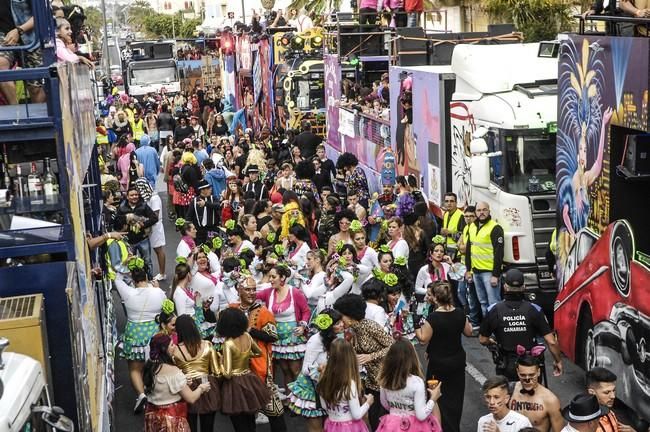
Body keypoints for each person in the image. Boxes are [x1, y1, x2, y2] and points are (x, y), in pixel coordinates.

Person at [479, 268, 563, 381]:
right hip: (530, 367)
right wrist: (558, 361)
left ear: (505, 287)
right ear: (524, 287)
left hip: (506, 366)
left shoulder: (493, 310)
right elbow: (551, 341)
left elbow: (483, 339)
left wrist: (492, 342)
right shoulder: (534, 309)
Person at [230, 276, 287, 432]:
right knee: (244, 411)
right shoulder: (232, 309)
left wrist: (250, 331)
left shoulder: (264, 312)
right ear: (238, 290)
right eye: (248, 289)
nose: (252, 293)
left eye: (254, 289)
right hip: (239, 370)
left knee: (274, 410)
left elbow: (273, 336)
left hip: (261, 368)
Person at [415, 281, 472, 432]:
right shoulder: (459, 313)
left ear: (435, 297)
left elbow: (423, 339)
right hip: (457, 363)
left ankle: (439, 428)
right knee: (455, 398)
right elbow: (468, 332)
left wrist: (415, 325)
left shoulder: (433, 318)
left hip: (438, 365)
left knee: (436, 399)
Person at [333, 294, 394, 430]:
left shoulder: (370, 326)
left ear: (350, 315)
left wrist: (371, 356)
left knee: (383, 421)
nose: (340, 321)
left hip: (384, 381)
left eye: (341, 316)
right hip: (370, 382)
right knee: (373, 420)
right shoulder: (352, 331)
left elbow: (394, 347)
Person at [114, 260, 167, 414]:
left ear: (133, 279)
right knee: (154, 365)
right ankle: (156, 392)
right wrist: (157, 288)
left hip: (135, 332)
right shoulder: (158, 292)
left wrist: (125, 265)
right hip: (153, 331)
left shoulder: (128, 292)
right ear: (146, 277)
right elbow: (165, 306)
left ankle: (141, 394)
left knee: (134, 368)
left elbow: (117, 279)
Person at [257, 264, 311, 392]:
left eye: (273, 276)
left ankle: (300, 399)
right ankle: (289, 399)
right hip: (277, 337)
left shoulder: (295, 292)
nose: (270, 279)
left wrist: (303, 326)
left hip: (292, 337)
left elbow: (306, 311)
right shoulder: (268, 292)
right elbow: (252, 295)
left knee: (295, 370)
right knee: (285, 370)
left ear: (282, 278)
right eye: (269, 276)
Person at [288, 309, 343, 432]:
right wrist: (323, 370)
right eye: (337, 323)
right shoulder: (315, 340)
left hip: (327, 386)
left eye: (341, 322)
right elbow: (306, 369)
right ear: (328, 326)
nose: (342, 325)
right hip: (312, 389)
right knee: (316, 428)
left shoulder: (337, 337)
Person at [217, 308, 271, 432]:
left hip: (234, 386)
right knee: (250, 421)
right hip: (249, 380)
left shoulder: (228, 344)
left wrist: (220, 362)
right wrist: (245, 356)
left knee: (239, 424)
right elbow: (258, 353)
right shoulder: (247, 335)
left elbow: (228, 374)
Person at [143, 334, 211, 431]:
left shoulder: (149, 367)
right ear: (164, 349)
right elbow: (191, 398)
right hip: (171, 419)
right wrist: (201, 388)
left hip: (153, 417)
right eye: (171, 345)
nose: (175, 346)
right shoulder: (173, 371)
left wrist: (183, 381)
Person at [376, 339, 442, 432]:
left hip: (392, 426)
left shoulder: (385, 380)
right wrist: (433, 399)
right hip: (415, 427)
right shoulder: (416, 382)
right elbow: (421, 416)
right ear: (412, 358)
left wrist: (398, 409)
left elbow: (385, 404)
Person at [172, 315, 222, 432]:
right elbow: (216, 371)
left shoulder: (175, 350)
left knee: (190, 426)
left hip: (187, 389)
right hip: (207, 386)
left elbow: (175, 373)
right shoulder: (207, 345)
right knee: (208, 427)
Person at [317, 339, 374, 432]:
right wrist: (368, 402)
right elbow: (357, 415)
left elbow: (324, 406)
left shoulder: (323, 378)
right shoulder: (349, 384)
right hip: (350, 427)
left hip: (332, 425)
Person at [465, 201, 505, 314]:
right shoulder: (472, 226)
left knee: (494, 303)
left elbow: (499, 253)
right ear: (475, 212)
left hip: (489, 273)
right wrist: (468, 270)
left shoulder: (495, 228)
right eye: (479, 210)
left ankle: (496, 331)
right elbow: (469, 250)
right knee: (483, 303)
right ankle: (487, 330)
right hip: (476, 271)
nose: (481, 212)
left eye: (484, 210)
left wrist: (496, 275)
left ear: (489, 211)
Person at [509, 355, 564, 432]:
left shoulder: (550, 400)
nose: (527, 379)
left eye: (531, 375)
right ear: (517, 372)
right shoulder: (510, 390)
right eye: (523, 375)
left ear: (538, 372)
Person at [115, 186, 158, 279]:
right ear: (127, 197)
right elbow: (117, 221)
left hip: (143, 239)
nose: (134, 197)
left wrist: (143, 224)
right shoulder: (121, 208)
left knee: (147, 261)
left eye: (136, 195)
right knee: (131, 263)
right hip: (129, 241)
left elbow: (154, 218)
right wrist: (126, 219)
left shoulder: (143, 205)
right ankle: (135, 282)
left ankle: (150, 279)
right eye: (132, 195)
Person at [585, 368, 635, 432]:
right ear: (591, 392)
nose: (613, 396)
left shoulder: (608, 411)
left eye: (613, 390)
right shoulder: (587, 425)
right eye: (607, 392)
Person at [186, 180, 220, 245]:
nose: (211, 189)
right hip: (199, 231)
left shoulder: (214, 198)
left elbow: (218, 206)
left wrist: (206, 204)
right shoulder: (194, 201)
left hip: (212, 229)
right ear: (202, 190)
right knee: (200, 249)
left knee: (213, 249)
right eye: (208, 188)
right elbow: (188, 217)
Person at [440, 192, 465, 259]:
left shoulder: (461, 216)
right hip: (447, 250)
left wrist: (449, 233)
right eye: (447, 201)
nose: (449, 203)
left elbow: (464, 236)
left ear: (456, 203)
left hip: (457, 252)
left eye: (452, 201)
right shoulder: (446, 214)